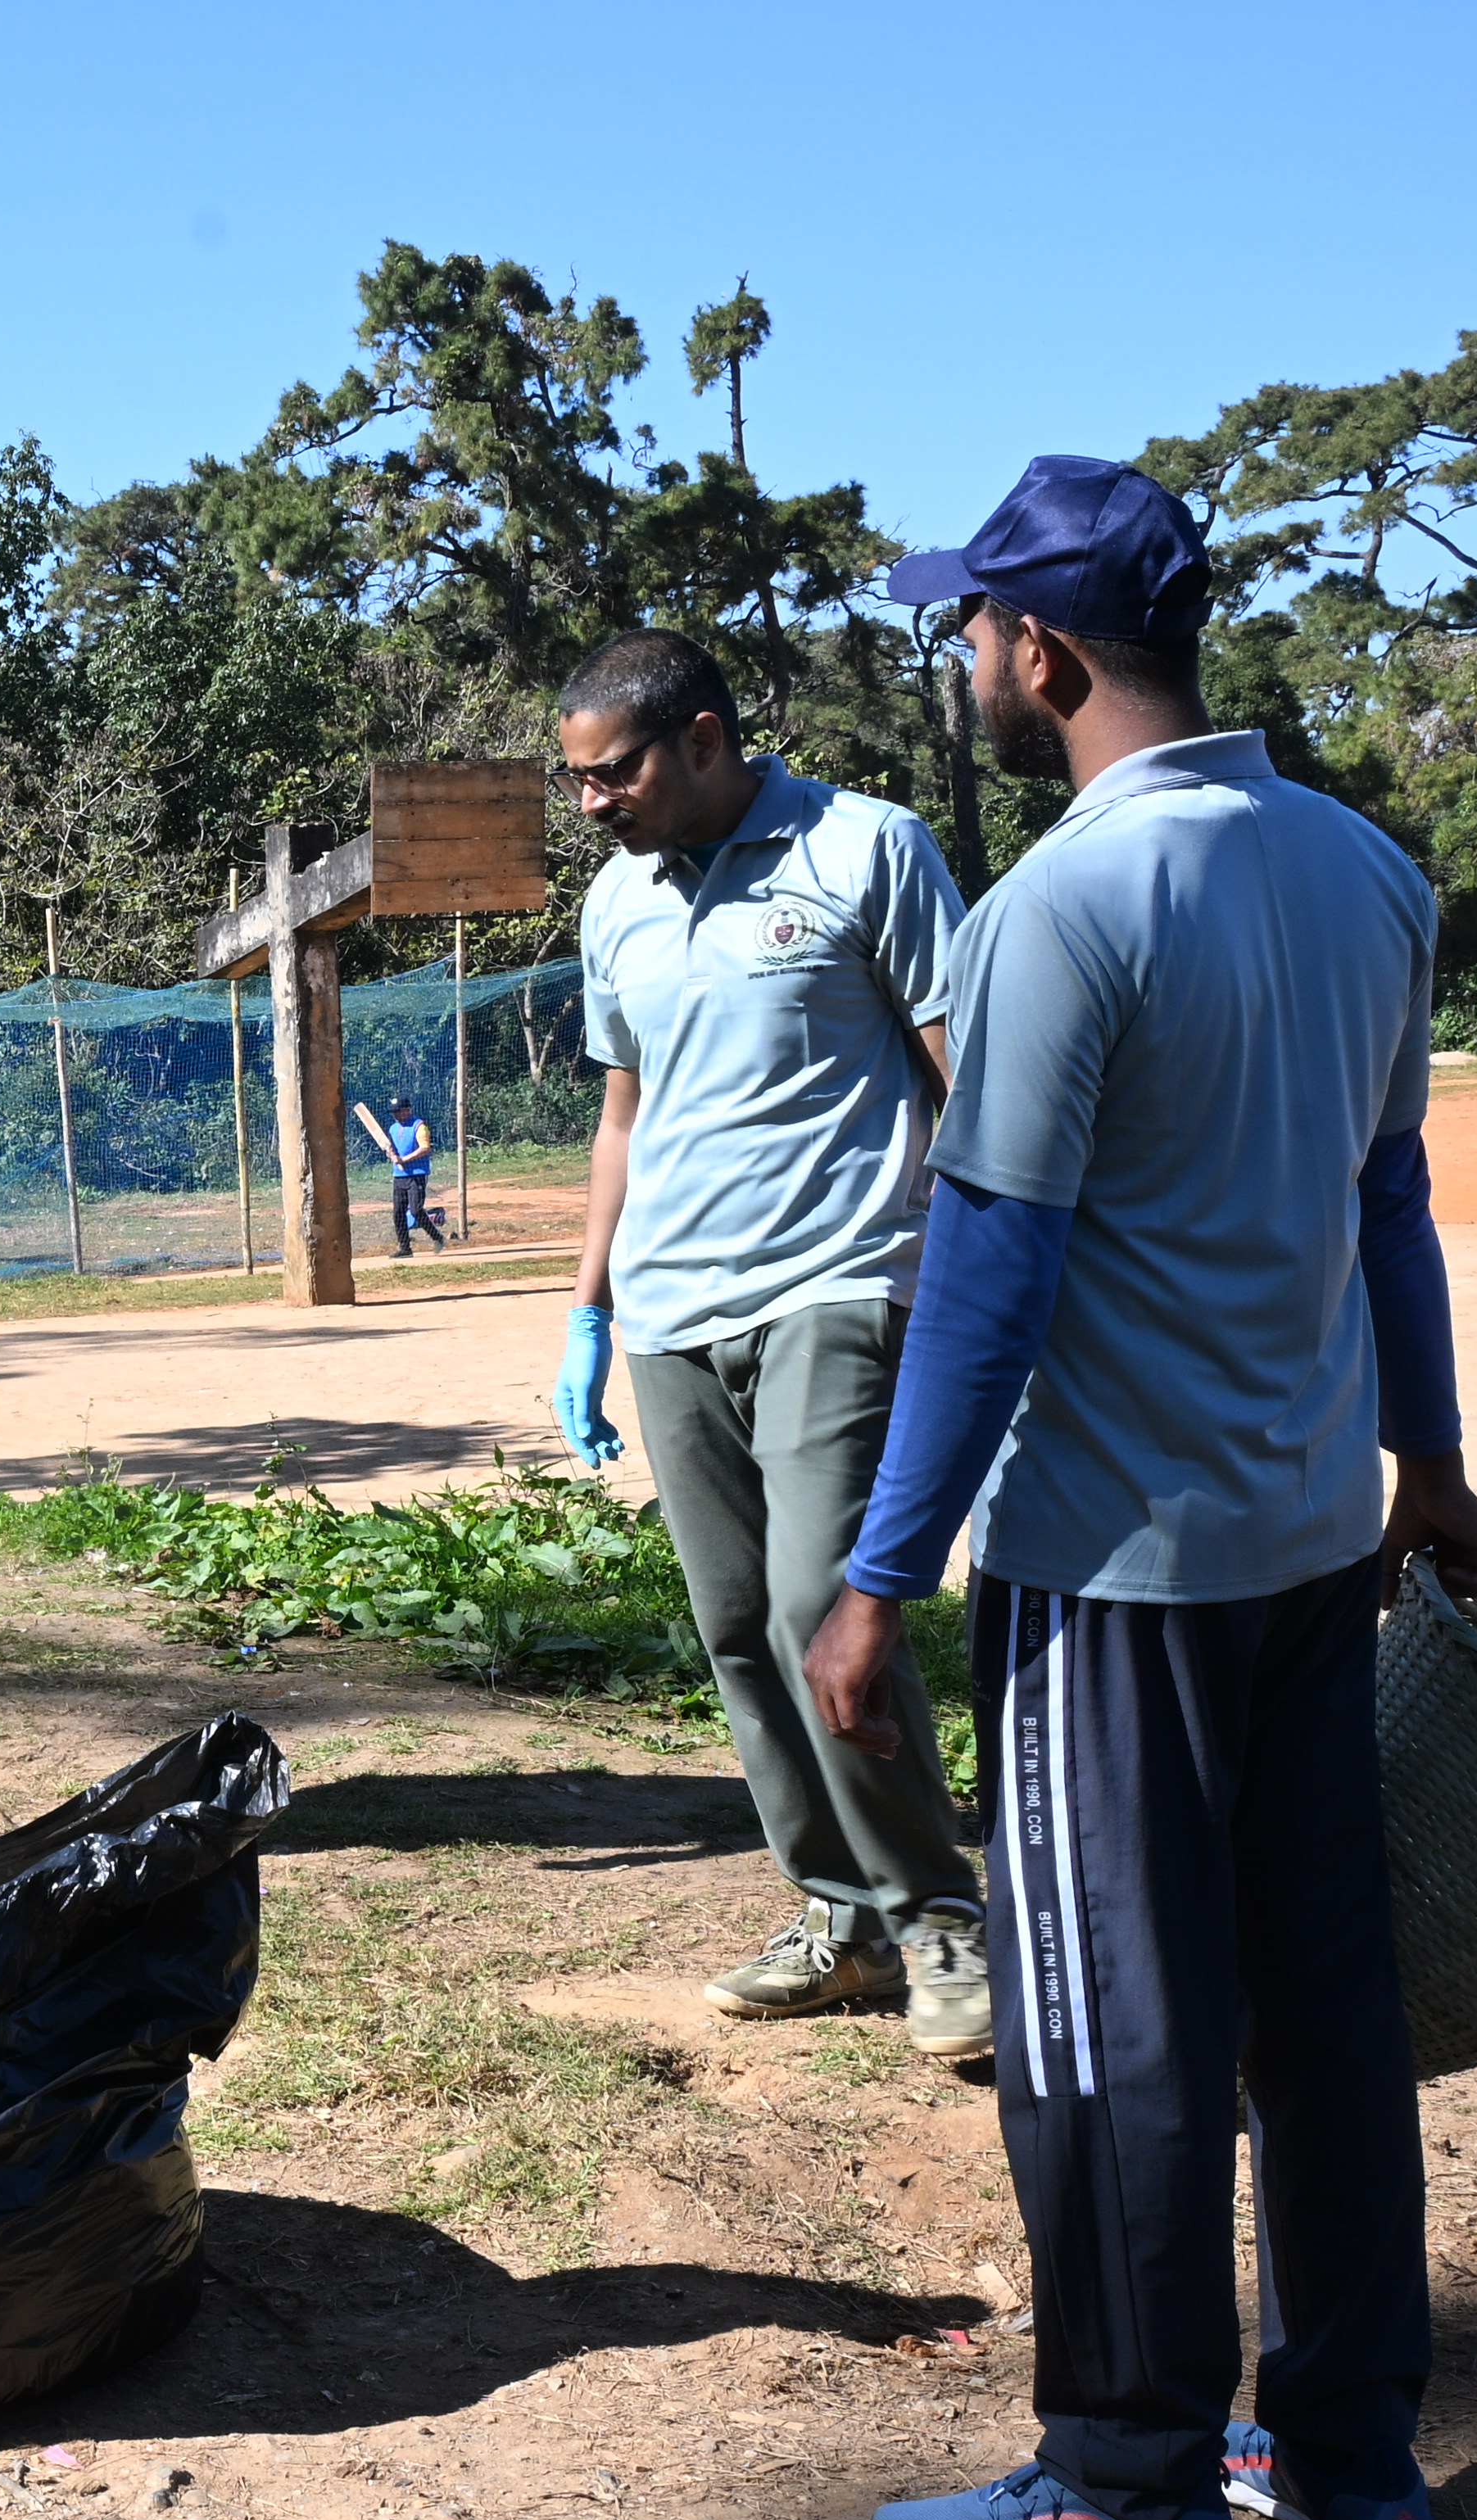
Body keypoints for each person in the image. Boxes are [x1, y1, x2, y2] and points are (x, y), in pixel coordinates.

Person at [808, 455, 1477, 2520]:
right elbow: (1390, 1203)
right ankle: (1361, 2465)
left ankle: (1125, 2476)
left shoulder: (1062, 916)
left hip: (1116, 1572)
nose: (965, 663)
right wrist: (1430, 1459)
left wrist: (881, 1571)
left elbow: (994, 1267)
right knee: (1324, 2009)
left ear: (1045, 650)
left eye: (973, 630)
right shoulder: (1364, 877)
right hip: (1314, 1546)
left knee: (1111, 2030)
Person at [553, 628, 992, 2058]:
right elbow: (623, 1113)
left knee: (825, 1608)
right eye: (574, 781)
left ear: (700, 736)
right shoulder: (615, 904)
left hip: (838, 1281)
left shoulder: (867, 848)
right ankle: (840, 1916)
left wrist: (1011, 1267)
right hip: (671, 1309)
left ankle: (938, 1919)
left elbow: (960, 1066)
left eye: (608, 773)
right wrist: (588, 1305)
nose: (590, 804)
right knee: (739, 1629)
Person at [352, 1093, 445, 1255]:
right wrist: (392, 1156)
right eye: (394, 1112)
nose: (396, 1115)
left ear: (408, 1110)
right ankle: (405, 1248)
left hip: (417, 1174)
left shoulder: (419, 1125)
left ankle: (437, 1237)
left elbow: (425, 1148)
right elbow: (391, 1149)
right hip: (399, 1176)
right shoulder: (393, 1128)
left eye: (399, 1111)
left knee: (416, 1210)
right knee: (398, 1213)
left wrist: (404, 1160)